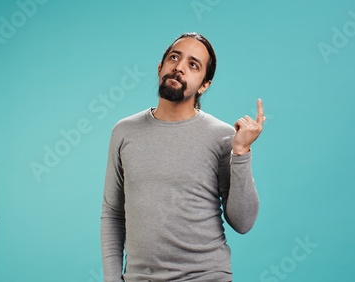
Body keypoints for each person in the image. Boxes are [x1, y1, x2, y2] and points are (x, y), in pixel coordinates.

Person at [100, 32, 265, 282]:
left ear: (204, 84)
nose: (179, 67)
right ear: (160, 67)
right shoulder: (124, 132)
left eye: (193, 64)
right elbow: (113, 213)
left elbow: (243, 222)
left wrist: (240, 153)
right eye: (174, 58)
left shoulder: (222, 137)